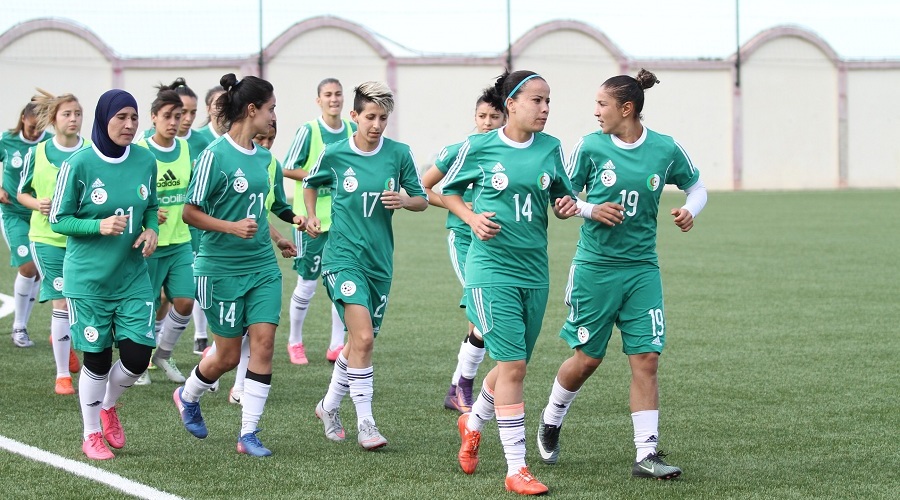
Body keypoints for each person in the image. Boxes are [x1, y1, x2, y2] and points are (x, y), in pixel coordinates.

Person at [534, 69, 707, 481]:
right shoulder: (590, 147)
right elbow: (564, 196)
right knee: (588, 359)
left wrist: (689, 210)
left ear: (626, 109)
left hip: (643, 269)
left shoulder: (664, 148)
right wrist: (592, 209)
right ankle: (551, 419)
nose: (595, 112)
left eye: (602, 105)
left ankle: (647, 454)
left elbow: (697, 186)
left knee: (646, 358)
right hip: (595, 268)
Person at [441, 70, 577, 496]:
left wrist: (567, 205)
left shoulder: (551, 148)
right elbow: (446, 189)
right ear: (512, 104)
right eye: (537, 100)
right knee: (514, 366)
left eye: (548, 100)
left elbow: (560, 198)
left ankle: (473, 421)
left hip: (534, 272)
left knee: (509, 365)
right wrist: (471, 217)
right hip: (490, 271)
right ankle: (516, 468)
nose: (545, 108)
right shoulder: (479, 146)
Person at [173, 73, 304, 457]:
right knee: (227, 356)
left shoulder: (265, 159)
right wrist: (230, 227)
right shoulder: (214, 155)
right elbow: (189, 212)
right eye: (271, 108)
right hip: (219, 269)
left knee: (264, 343)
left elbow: (266, 210)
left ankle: (249, 434)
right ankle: (187, 395)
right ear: (252, 110)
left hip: (261, 266)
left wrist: (290, 226)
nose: (274, 115)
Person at [304, 81, 427, 451]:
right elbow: (311, 183)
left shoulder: (399, 154)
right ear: (354, 116)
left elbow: (422, 200)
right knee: (364, 339)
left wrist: (405, 200)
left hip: (379, 262)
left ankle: (327, 406)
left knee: (358, 342)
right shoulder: (335, 153)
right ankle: (367, 423)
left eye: (383, 117)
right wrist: (311, 216)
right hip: (342, 258)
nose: (376, 124)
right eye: (370, 116)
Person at [49, 89, 160, 460]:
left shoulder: (145, 160)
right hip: (89, 281)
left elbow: (151, 206)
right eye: (121, 118)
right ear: (104, 119)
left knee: (137, 358)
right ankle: (91, 432)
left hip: (132, 277)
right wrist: (99, 226)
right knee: (95, 360)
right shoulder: (79, 164)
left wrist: (150, 229)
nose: (129, 125)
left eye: (134, 118)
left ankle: (108, 405)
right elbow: (58, 219)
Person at [420, 89, 506, 412]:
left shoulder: (508, 155)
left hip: (496, 244)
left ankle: (457, 387)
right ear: (474, 117)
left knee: (480, 319)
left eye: (494, 117)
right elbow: (422, 188)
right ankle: (461, 389)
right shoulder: (460, 151)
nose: (487, 123)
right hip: (465, 240)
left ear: (505, 118)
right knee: (481, 317)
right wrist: (461, 208)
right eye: (482, 116)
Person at [16, 89, 89, 394]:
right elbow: (22, 193)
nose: (73, 119)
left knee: (80, 302)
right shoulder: (38, 153)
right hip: (46, 238)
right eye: (67, 114)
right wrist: (38, 204)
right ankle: (62, 375)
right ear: (53, 120)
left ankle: (65, 340)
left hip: (83, 238)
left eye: (77, 114)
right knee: (61, 301)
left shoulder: (90, 151)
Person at [282, 78, 356, 365]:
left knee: (341, 282)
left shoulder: (351, 129)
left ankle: (336, 345)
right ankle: (295, 342)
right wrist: (321, 175)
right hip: (310, 221)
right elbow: (288, 168)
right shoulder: (309, 131)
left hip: (342, 221)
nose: (334, 99)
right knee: (308, 283)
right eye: (328, 94)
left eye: (338, 94)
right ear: (319, 100)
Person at [134, 85, 196, 385]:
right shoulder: (141, 150)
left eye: (179, 116)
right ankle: (138, 363)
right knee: (146, 306)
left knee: (185, 301)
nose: (175, 122)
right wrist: (147, 212)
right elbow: (129, 193)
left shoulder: (185, 148)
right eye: (168, 116)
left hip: (180, 241)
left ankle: (162, 353)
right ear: (154, 117)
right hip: (149, 244)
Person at [1, 102, 50, 347]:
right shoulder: (7, 140)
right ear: (23, 119)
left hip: (39, 215)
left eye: (40, 129)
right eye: (32, 128)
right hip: (13, 213)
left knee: (38, 271)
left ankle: (23, 326)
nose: (35, 134)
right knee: (29, 268)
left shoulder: (50, 144)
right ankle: (19, 328)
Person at [190, 84, 226, 355]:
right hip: (190, 219)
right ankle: (200, 334)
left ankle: (206, 338)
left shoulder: (234, 142)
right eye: (217, 103)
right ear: (208, 108)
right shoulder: (197, 139)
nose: (222, 108)